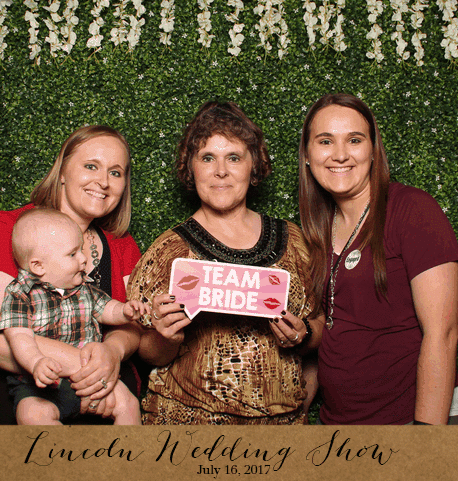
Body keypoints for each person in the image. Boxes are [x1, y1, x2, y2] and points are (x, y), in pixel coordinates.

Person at [128, 101, 324, 424]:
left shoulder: (293, 240)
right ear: (191, 167)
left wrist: (302, 336)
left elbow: (320, 325)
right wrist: (164, 337)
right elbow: (143, 349)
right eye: (208, 158)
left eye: (233, 157)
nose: (221, 171)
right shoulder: (168, 251)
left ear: (253, 165)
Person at [298, 93, 458, 425]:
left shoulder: (412, 210)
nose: (340, 154)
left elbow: (443, 334)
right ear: (307, 155)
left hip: (410, 422)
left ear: (374, 151)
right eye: (325, 141)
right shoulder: (319, 229)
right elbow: (333, 332)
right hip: (338, 421)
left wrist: (427, 438)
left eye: (355, 140)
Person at [0, 125, 142, 424]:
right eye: (91, 166)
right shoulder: (3, 228)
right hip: (17, 393)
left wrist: (113, 351)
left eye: (116, 172)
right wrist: (94, 373)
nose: (104, 181)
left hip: (104, 404)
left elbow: (133, 324)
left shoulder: (122, 246)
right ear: (62, 171)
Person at [0, 208, 147, 425]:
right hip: (42, 385)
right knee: (31, 415)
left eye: (81, 251)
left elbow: (107, 309)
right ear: (38, 266)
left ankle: (129, 447)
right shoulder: (20, 294)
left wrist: (125, 311)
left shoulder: (84, 288)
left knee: (128, 404)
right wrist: (36, 362)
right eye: (72, 254)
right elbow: (19, 337)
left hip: (91, 378)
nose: (84, 259)